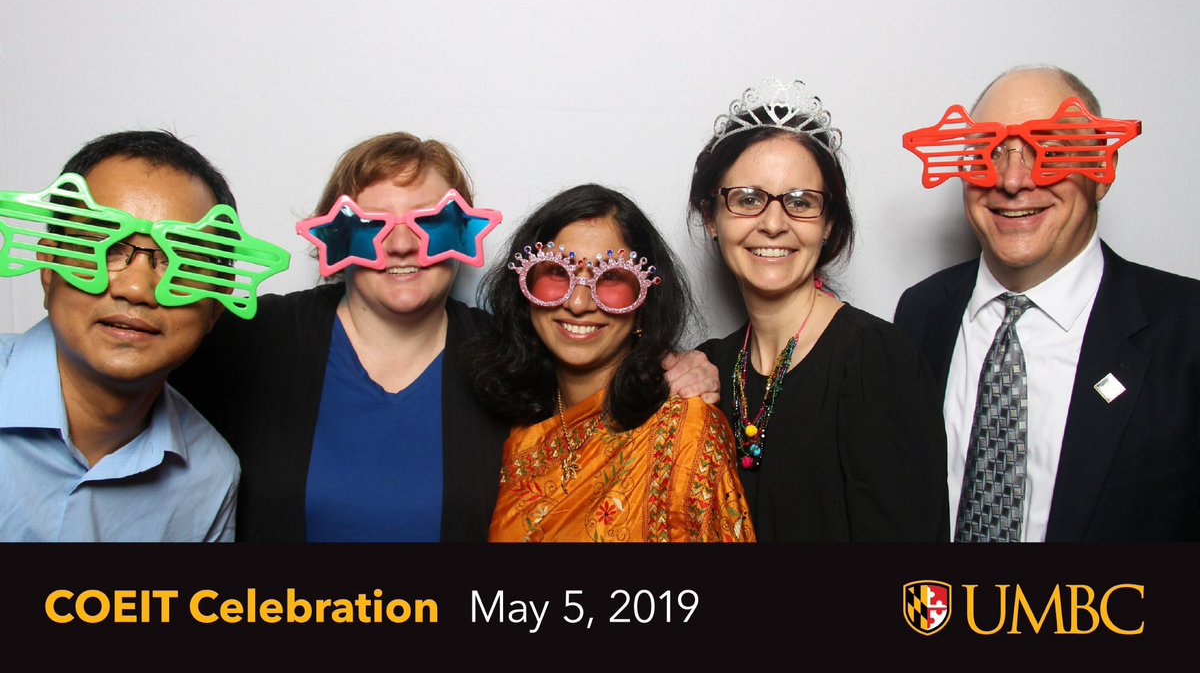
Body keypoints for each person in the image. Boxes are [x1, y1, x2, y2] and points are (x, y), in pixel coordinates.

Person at [171, 133, 719, 541]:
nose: (401, 245)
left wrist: (678, 363)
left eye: (429, 224)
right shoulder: (255, 339)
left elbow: (596, 362)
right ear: (333, 238)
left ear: (461, 235)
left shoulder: (510, 356)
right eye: (370, 226)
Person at [895, 65, 1200, 542]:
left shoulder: (1188, 328)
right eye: (988, 153)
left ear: (1104, 170)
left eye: (1051, 151)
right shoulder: (920, 313)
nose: (1013, 180)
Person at [688, 78, 948, 541]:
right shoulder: (708, 368)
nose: (773, 223)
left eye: (800, 202)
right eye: (747, 199)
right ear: (712, 217)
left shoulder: (877, 361)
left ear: (828, 224)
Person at [0, 131, 248, 541]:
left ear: (216, 307)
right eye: (103, 244)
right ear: (47, 270)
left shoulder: (211, 477)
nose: (135, 288)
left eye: (182, 260)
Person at [473, 184, 753, 542]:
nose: (578, 303)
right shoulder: (513, 433)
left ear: (644, 304)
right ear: (525, 291)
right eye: (557, 272)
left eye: (610, 278)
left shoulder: (684, 430)